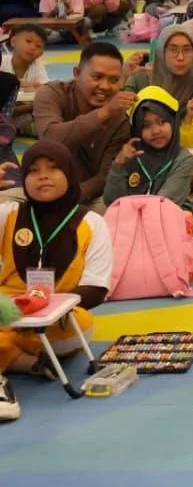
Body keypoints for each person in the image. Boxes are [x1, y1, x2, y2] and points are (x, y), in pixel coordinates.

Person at [0, 141, 114, 384]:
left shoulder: (91, 222)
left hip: (59, 318)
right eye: (33, 170)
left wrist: (47, 310)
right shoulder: (8, 213)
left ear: (69, 174)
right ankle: (24, 361)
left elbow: (96, 289)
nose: (43, 177)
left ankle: (11, 351)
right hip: (7, 312)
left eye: (53, 168)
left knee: (80, 323)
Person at [31, 43, 133, 209]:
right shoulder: (52, 93)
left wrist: (71, 197)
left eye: (114, 80)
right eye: (97, 77)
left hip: (88, 196)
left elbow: (106, 176)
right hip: (41, 188)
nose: (106, 86)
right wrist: (104, 113)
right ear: (77, 73)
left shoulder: (120, 120)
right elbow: (50, 140)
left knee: (118, 211)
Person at [103, 86, 193, 207]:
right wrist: (118, 166)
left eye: (162, 122)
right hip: (131, 220)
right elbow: (111, 201)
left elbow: (165, 204)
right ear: (136, 130)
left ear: (173, 121)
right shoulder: (131, 155)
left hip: (168, 220)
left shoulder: (183, 159)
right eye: (145, 126)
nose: (156, 131)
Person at [124, 25, 193, 106]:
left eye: (187, 50)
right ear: (161, 52)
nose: (180, 57)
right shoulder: (139, 80)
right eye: (173, 50)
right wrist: (123, 78)